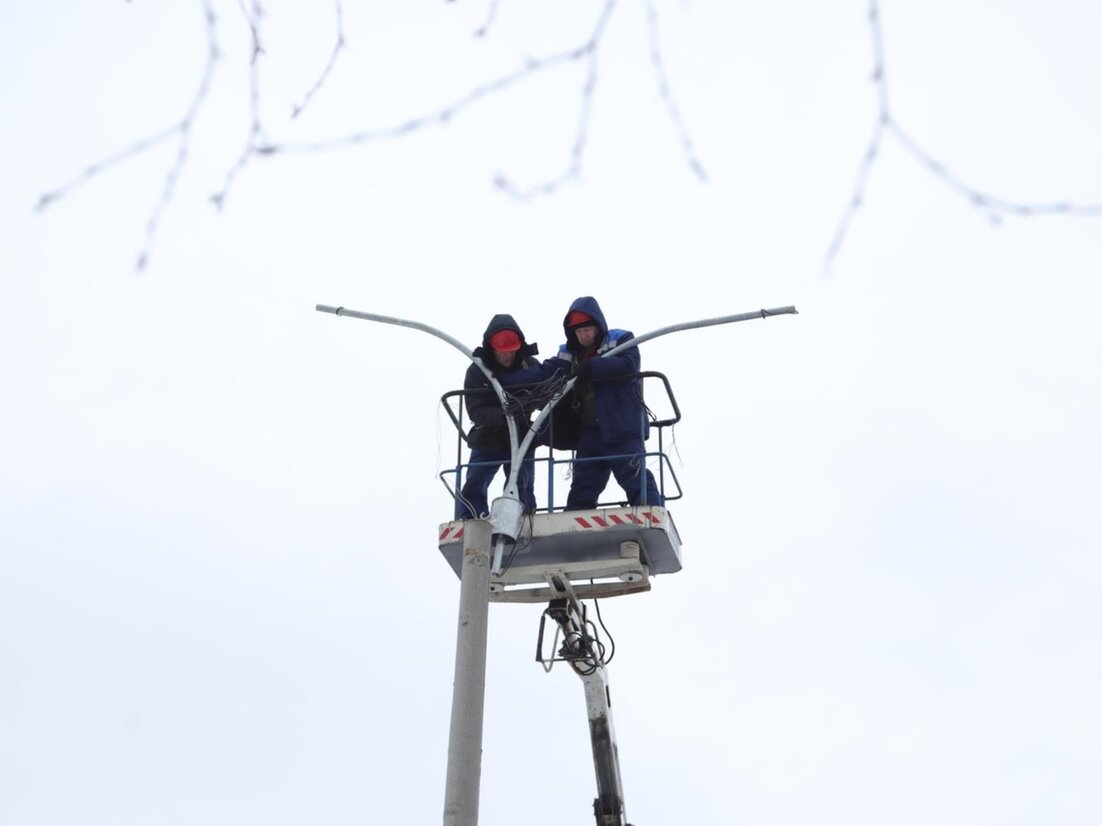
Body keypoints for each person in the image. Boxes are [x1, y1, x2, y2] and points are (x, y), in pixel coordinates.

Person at [550, 296, 663, 511]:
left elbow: (629, 365)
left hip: (622, 427)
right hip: (590, 431)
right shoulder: (569, 353)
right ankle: (574, 527)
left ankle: (651, 515)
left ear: (598, 326)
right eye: (578, 331)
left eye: (587, 329)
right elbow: (548, 372)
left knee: (635, 477)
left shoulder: (622, 339)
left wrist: (593, 367)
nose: (583, 335)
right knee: (583, 485)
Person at [454, 314, 540, 520]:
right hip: (488, 436)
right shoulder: (478, 371)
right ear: (492, 348)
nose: (508, 356)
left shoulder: (530, 366)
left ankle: (524, 515)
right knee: (476, 478)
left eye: (512, 351)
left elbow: (545, 396)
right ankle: (471, 518)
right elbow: (475, 411)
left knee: (523, 481)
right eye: (503, 352)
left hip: (521, 436)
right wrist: (504, 414)